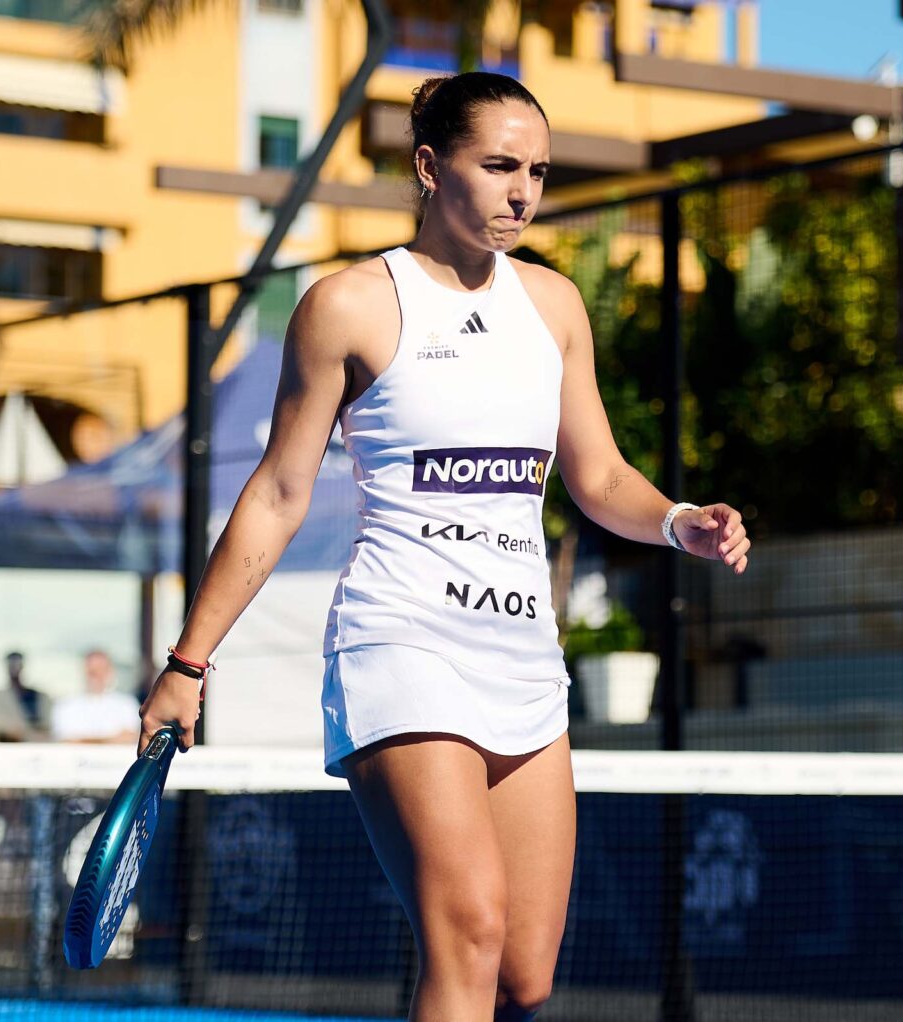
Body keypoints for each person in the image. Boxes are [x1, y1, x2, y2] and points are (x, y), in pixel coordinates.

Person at [138, 71, 751, 1022]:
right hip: (401, 643)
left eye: (537, 172)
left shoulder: (553, 305)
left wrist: (680, 521)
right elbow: (278, 494)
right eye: (499, 166)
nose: (522, 192)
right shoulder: (348, 305)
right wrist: (188, 662)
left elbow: (598, 477)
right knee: (467, 933)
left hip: (523, 659)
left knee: (523, 976)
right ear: (430, 167)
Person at [52, 649, 139, 744]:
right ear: (84, 671)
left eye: (101, 670)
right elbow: (67, 741)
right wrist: (112, 739)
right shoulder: (66, 706)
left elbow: (131, 738)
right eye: (92, 671)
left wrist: (84, 740)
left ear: (110, 672)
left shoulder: (127, 704)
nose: (97, 675)